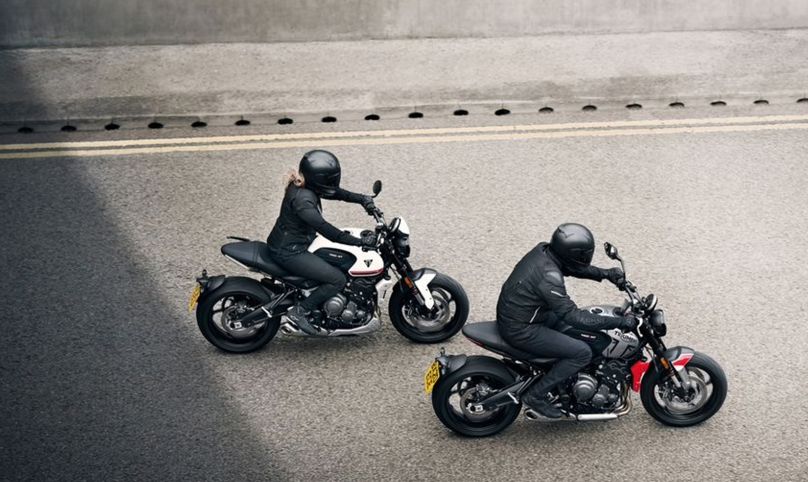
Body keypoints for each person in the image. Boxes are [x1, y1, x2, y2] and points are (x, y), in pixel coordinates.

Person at [496, 223, 638, 418]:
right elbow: (574, 316)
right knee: (581, 352)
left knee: (579, 333)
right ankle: (536, 395)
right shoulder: (549, 277)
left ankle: (571, 378)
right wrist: (620, 323)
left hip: (526, 313)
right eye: (584, 255)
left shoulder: (545, 251)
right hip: (522, 328)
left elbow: (571, 267)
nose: (586, 257)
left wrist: (605, 274)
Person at [266, 149, 377, 335]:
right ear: (319, 179)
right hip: (290, 251)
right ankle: (299, 312)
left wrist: (362, 199)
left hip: (298, 242)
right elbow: (327, 230)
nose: (333, 183)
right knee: (337, 279)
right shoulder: (303, 202)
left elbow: (335, 193)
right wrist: (359, 242)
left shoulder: (307, 185)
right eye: (329, 180)